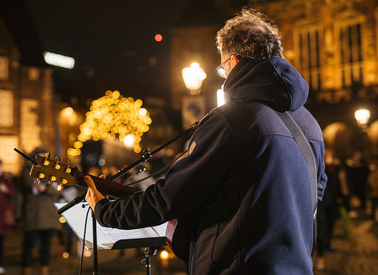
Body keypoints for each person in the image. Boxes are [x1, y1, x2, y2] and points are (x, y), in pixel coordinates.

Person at [85, 8, 327, 274]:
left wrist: (105, 211)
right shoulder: (310, 124)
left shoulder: (231, 120)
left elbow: (171, 196)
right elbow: (312, 195)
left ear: (233, 62)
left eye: (222, 69)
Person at [19, 147, 61, 275]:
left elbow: (56, 190)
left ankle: (44, 268)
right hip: (33, 213)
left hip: (49, 214)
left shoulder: (52, 172)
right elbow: (27, 185)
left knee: (46, 244)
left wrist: (45, 189)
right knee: (29, 243)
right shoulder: (27, 171)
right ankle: (26, 268)